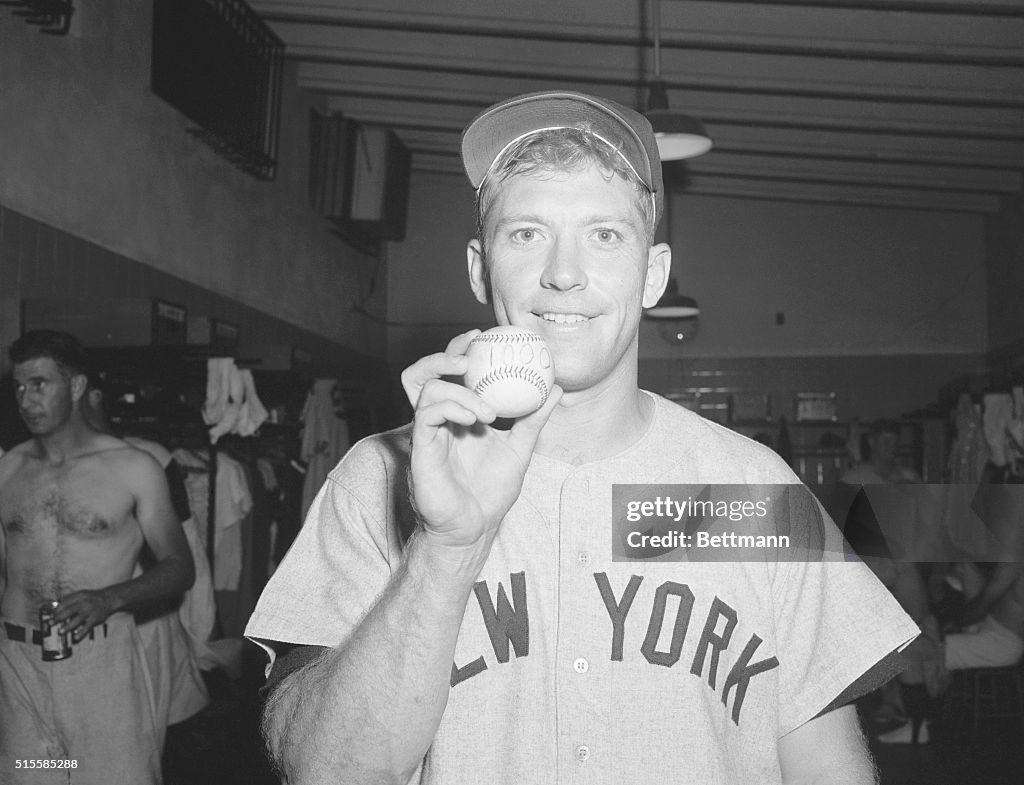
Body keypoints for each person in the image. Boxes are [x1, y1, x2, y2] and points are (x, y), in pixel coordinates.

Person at [245, 90, 920, 784]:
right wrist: (445, 549)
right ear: (480, 268)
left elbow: (825, 762)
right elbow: (324, 771)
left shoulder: (752, 490)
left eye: (604, 234)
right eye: (526, 233)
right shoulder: (381, 475)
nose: (563, 273)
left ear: (653, 273)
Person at [0, 330, 194, 785]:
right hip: (19, 665)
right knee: (32, 776)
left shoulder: (133, 467)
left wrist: (108, 599)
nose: (27, 399)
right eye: (19, 387)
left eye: (40, 384)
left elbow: (179, 567)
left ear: (77, 387)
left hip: (100, 664)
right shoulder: (8, 470)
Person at [78, 372, 212, 751]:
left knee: (137, 736)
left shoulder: (149, 459)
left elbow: (188, 550)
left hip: (144, 614)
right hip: (80, 627)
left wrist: (201, 632)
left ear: (92, 397)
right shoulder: (40, 463)